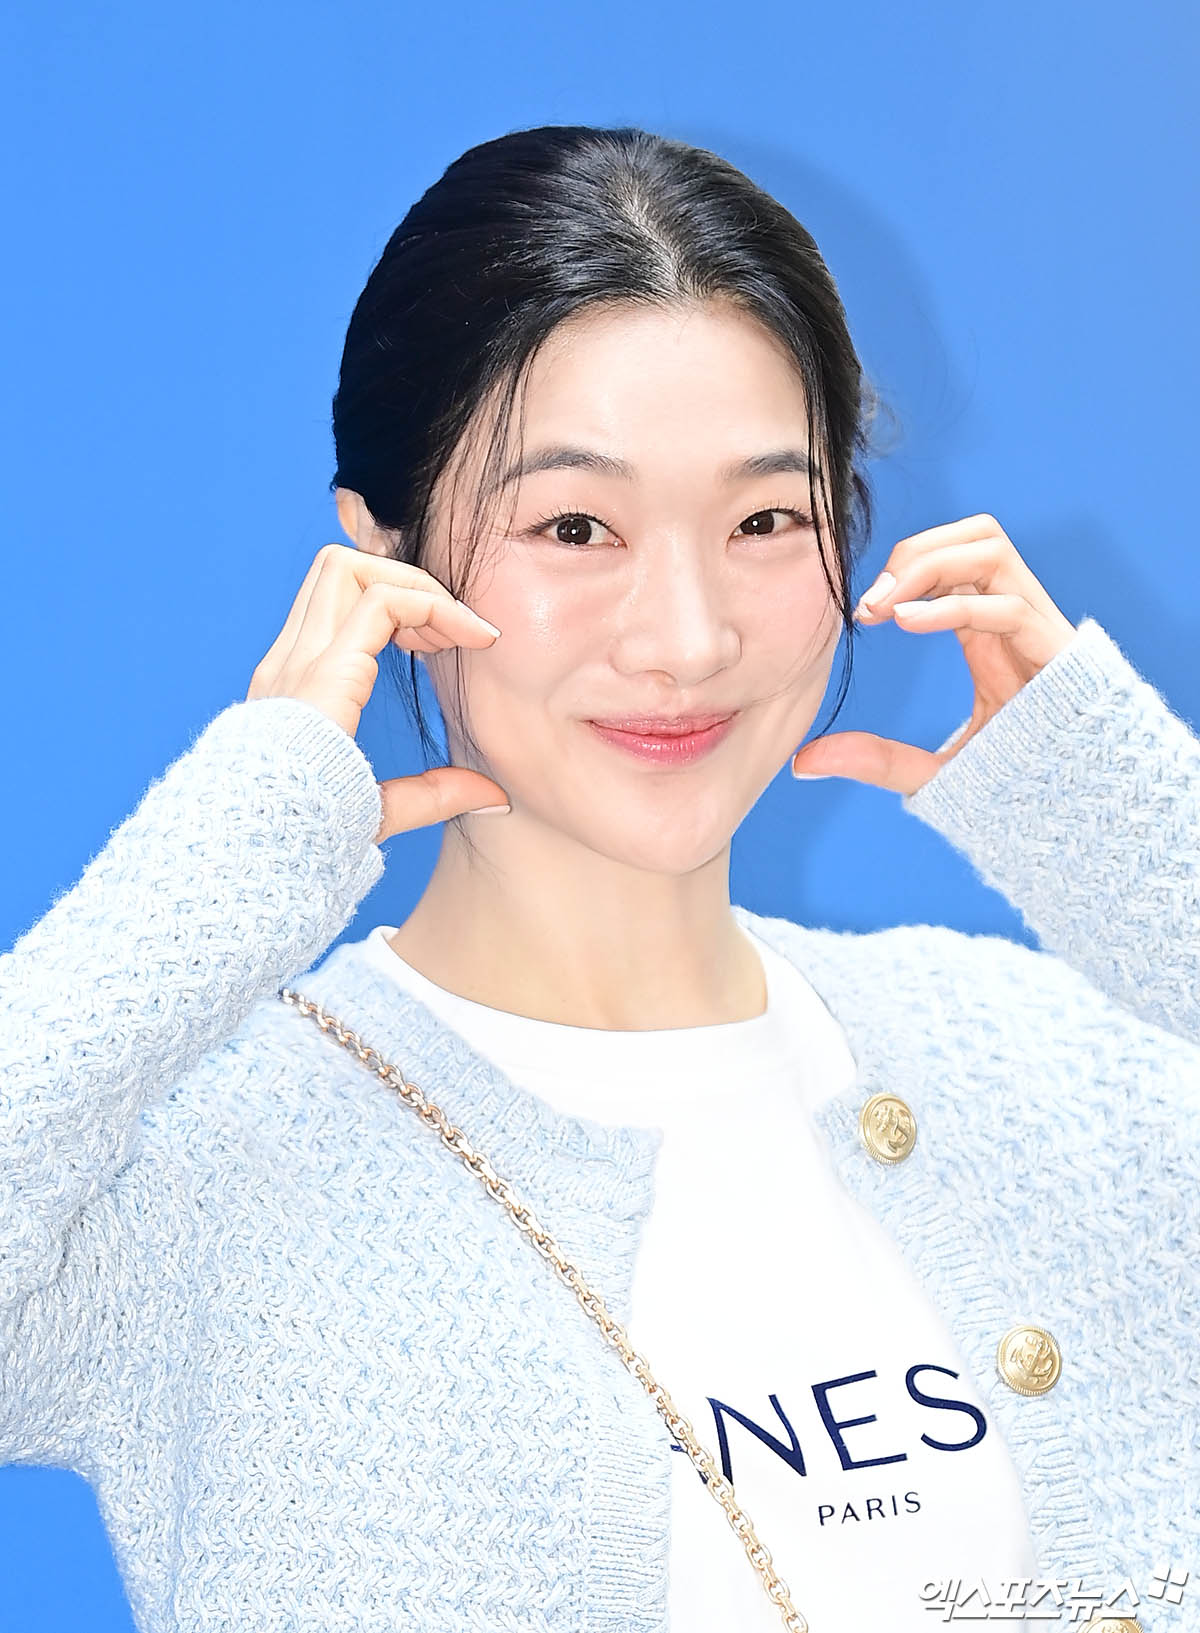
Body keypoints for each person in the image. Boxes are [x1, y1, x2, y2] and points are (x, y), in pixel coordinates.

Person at [1, 123, 1194, 1633]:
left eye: (765, 520)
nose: (687, 637)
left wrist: (1130, 828)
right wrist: (249, 822)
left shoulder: (1068, 1074)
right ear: (381, 555)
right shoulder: (195, 1176)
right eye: (576, 526)